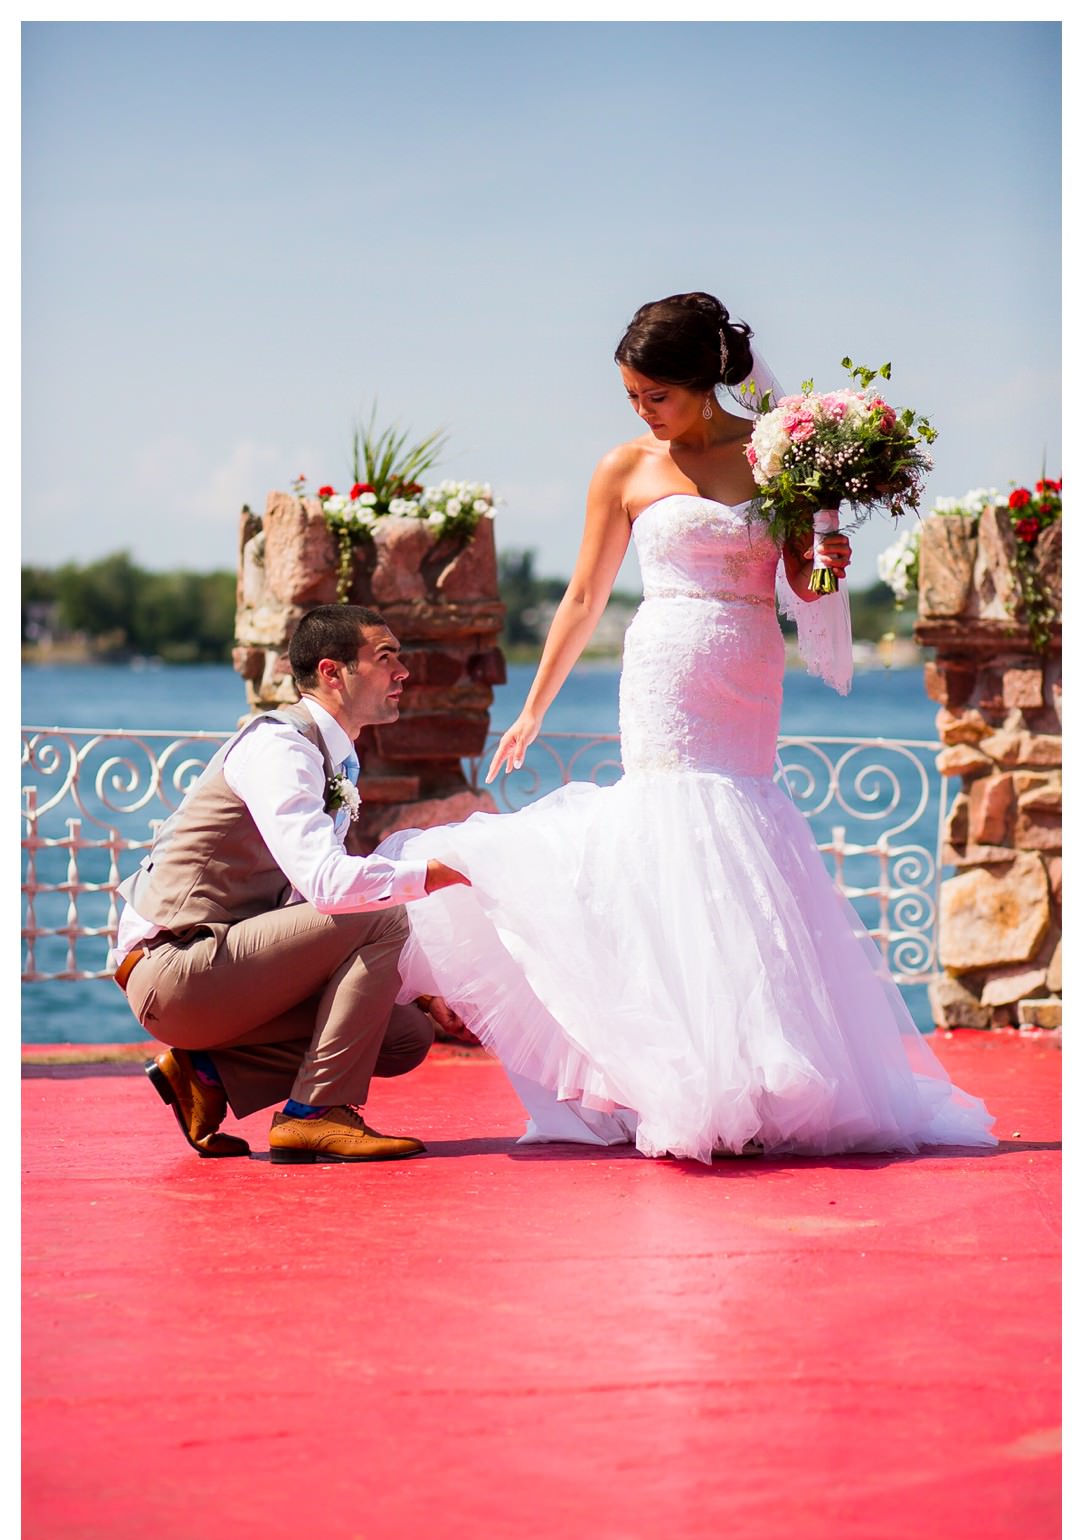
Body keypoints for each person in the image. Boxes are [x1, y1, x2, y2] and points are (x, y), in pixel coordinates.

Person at [380, 292, 996, 1162]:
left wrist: (827, 568)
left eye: (655, 396)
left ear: (705, 382)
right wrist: (532, 708)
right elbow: (587, 595)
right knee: (669, 835)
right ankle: (672, 1073)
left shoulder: (777, 459)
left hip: (745, 669)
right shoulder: (622, 467)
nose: (642, 412)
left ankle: (759, 1067)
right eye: (630, 395)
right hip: (664, 668)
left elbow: (803, 593)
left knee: (740, 832)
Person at [112, 603, 469, 1163]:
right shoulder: (281, 747)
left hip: (226, 970)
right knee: (378, 912)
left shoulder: (333, 758)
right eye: (386, 657)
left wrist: (421, 989)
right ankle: (315, 1113)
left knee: (406, 1036)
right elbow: (330, 887)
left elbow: (307, 906)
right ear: (333, 672)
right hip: (175, 967)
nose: (404, 671)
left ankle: (208, 1074)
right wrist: (437, 873)